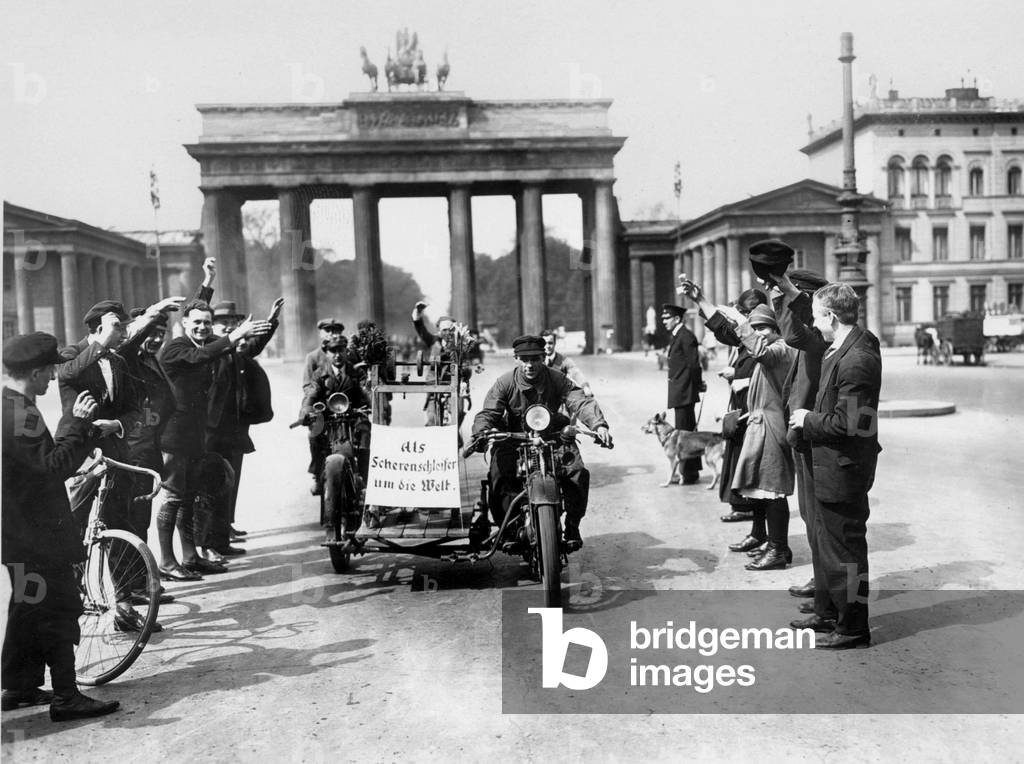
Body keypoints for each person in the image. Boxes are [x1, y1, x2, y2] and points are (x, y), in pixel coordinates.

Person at [1, 332, 121, 721]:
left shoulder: (8, 406)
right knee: (58, 609)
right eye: (49, 371)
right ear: (35, 372)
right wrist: (77, 422)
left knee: (28, 606)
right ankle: (67, 696)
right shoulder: (22, 414)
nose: (53, 378)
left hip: (16, 534)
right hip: (39, 535)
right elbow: (53, 466)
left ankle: (18, 687)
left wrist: (80, 432)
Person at [789, 283, 882, 648]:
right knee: (830, 546)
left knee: (847, 553)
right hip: (832, 465)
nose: (815, 325)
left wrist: (807, 419)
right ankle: (830, 615)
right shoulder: (841, 349)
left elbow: (850, 424)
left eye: (816, 317)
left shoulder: (857, 358)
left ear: (830, 316)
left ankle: (854, 628)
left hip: (845, 469)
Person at [156, 300, 270, 581]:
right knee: (173, 498)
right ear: (184, 324)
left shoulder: (201, 347)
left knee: (190, 496)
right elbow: (200, 357)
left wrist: (249, 333)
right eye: (196, 322)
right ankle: (167, 561)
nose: (202, 327)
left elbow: (227, 351)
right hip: (173, 437)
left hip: (194, 435)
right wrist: (232, 336)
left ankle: (190, 556)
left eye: (207, 322)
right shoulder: (176, 348)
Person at [471, 335, 613, 548]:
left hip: (552, 437)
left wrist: (598, 425)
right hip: (513, 439)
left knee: (577, 472)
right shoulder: (505, 382)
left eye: (535, 358)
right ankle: (508, 529)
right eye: (524, 358)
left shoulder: (556, 378)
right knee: (499, 474)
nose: (529, 364)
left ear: (543, 357)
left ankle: (573, 524)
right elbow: (489, 412)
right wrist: (481, 433)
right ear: (516, 358)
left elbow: (580, 400)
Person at [679, 282, 768, 522]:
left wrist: (747, 380)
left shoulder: (768, 338)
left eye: (745, 315)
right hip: (742, 406)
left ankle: (750, 511)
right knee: (738, 454)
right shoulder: (748, 335)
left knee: (750, 462)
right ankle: (743, 507)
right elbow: (724, 330)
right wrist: (700, 300)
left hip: (757, 408)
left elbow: (775, 371)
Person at [767, 266, 831, 601]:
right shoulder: (812, 339)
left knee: (817, 518)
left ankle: (825, 588)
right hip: (801, 434)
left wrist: (789, 297)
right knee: (809, 517)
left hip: (811, 435)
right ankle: (821, 585)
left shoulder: (817, 338)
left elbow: (793, 334)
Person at [202, 297, 281, 562]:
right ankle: (209, 543)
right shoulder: (209, 349)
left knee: (228, 484)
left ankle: (222, 539)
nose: (227, 327)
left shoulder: (236, 351)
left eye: (231, 323)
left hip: (234, 431)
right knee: (210, 488)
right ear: (213, 325)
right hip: (210, 433)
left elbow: (254, 345)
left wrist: (270, 321)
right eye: (222, 323)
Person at [301, 336, 371, 496]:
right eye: (333, 351)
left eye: (341, 350)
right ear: (327, 353)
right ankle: (318, 476)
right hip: (328, 417)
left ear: (346, 351)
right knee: (314, 434)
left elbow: (366, 391)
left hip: (354, 416)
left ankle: (366, 479)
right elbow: (311, 395)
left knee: (365, 430)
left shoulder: (356, 373)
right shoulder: (319, 374)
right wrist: (306, 411)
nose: (337, 354)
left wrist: (371, 403)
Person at [660, 303, 703, 484]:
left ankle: (689, 473)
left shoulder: (685, 336)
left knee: (685, 434)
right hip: (681, 391)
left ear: (677, 319)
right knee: (686, 432)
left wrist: (698, 385)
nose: (664, 322)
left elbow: (694, 364)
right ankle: (689, 472)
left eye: (667, 318)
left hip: (685, 392)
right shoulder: (679, 335)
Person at [541, 329, 592, 396]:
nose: (547, 346)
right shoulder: (537, 360)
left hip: (557, 396)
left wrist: (585, 386)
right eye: (545, 343)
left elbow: (576, 373)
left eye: (550, 343)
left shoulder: (563, 360)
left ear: (555, 343)